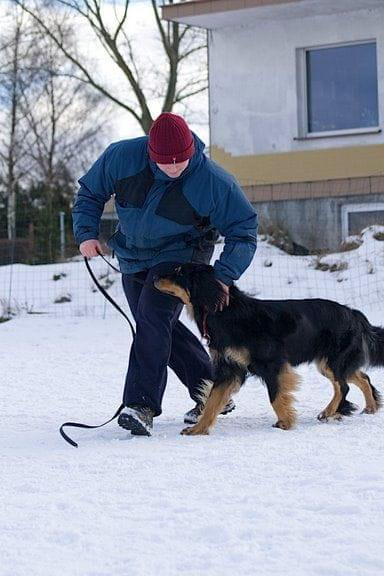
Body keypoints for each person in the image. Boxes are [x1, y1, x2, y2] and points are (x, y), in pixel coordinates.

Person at [72, 112, 258, 436]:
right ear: (150, 152)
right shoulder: (121, 157)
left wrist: (224, 275)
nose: (173, 168)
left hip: (182, 254)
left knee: (153, 320)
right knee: (157, 327)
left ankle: (140, 405)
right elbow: (90, 192)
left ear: (191, 150)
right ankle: (213, 389)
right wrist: (86, 233)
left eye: (181, 162)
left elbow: (244, 231)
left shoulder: (214, 181)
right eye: (165, 163)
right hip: (132, 255)